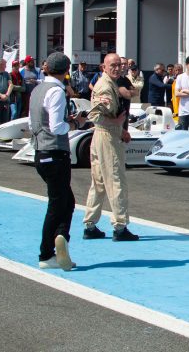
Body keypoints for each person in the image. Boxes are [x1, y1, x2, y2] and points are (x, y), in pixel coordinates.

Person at [30, 53, 85, 270]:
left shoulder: (37, 89)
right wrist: (75, 124)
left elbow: (35, 120)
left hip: (39, 150)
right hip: (55, 152)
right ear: (66, 71)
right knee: (57, 203)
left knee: (65, 201)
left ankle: (60, 237)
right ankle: (47, 252)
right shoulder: (57, 91)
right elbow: (56, 127)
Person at [83, 53, 138, 243]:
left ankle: (90, 224)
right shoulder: (105, 86)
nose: (117, 68)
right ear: (104, 67)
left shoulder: (109, 83)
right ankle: (120, 226)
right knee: (115, 180)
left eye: (118, 65)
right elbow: (95, 116)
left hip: (105, 134)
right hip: (106, 135)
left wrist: (120, 128)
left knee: (98, 182)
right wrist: (115, 123)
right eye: (112, 65)